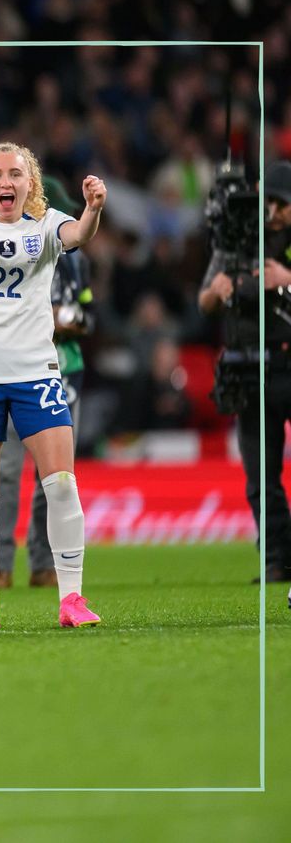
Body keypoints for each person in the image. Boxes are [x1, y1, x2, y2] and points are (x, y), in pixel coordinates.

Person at [0, 142, 105, 631]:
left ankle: (71, 597)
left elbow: (78, 235)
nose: (5, 182)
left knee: (61, 482)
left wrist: (93, 209)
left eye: (15, 174)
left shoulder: (46, 224)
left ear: (29, 183)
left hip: (36, 371)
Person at [0, 176, 95, 589]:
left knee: (51, 476)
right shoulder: (5, 246)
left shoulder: (76, 260)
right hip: (9, 368)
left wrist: (70, 322)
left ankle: (43, 563)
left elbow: (87, 317)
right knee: (4, 472)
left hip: (63, 368)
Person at [199, 159, 291, 591]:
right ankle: (276, 561)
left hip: (288, 359)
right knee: (260, 474)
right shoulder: (236, 239)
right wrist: (215, 295)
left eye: (280, 203)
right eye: (266, 202)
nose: (271, 211)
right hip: (248, 365)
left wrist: (286, 277)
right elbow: (203, 300)